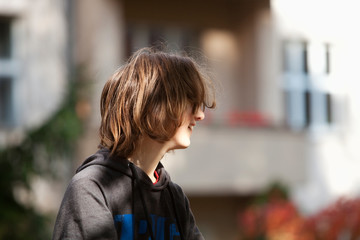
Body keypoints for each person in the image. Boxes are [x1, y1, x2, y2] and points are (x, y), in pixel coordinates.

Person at [52, 47, 216, 240]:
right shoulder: (91, 188)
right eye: (190, 101)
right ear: (153, 105)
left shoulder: (174, 198)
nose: (200, 115)